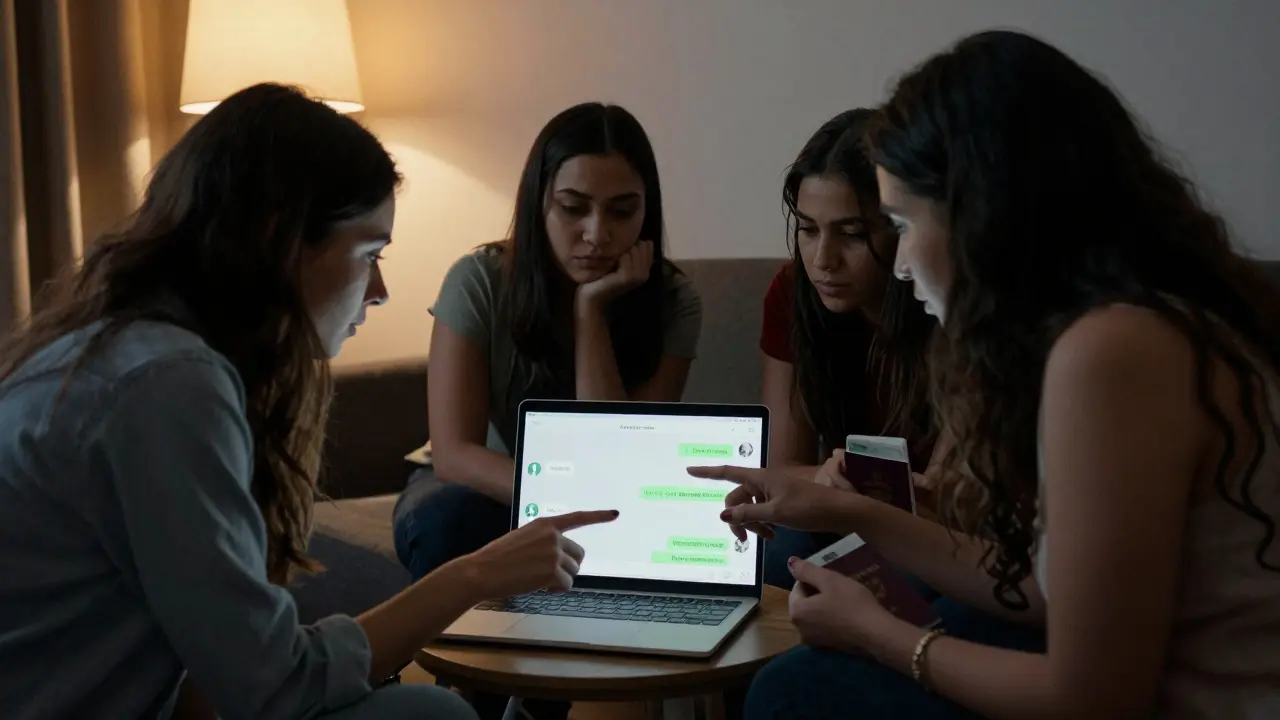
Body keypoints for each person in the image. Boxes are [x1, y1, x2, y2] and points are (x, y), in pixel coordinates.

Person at [692, 30, 1280, 719]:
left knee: (793, 691)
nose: (903, 263)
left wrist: (879, 634)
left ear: (983, 214)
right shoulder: (1138, 325)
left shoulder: (1113, 351)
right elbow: (1040, 589)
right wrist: (850, 511)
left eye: (903, 223)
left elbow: (1094, 696)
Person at [0, 84, 619, 720]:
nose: (379, 289)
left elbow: (217, 671)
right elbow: (272, 687)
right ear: (283, 238)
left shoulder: (120, 353)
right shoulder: (168, 386)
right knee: (430, 716)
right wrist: (473, 577)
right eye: (370, 252)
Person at [392, 102, 701, 719]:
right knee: (444, 519)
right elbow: (452, 452)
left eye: (622, 211)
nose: (596, 233)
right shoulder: (480, 280)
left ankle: (540, 699)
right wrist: (557, 504)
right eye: (573, 207)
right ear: (539, 202)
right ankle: (480, 699)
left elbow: (617, 455)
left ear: (648, 209)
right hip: (485, 485)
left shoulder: (672, 301)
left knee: (618, 545)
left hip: (608, 504)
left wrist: (592, 312)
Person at [757, 109, 936, 588]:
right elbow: (781, 463)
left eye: (852, 234)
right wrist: (833, 481)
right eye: (809, 229)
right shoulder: (793, 291)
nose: (822, 260)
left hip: (933, 533)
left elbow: (953, 499)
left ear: (902, 226)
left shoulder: (942, 300)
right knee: (765, 554)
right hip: (835, 515)